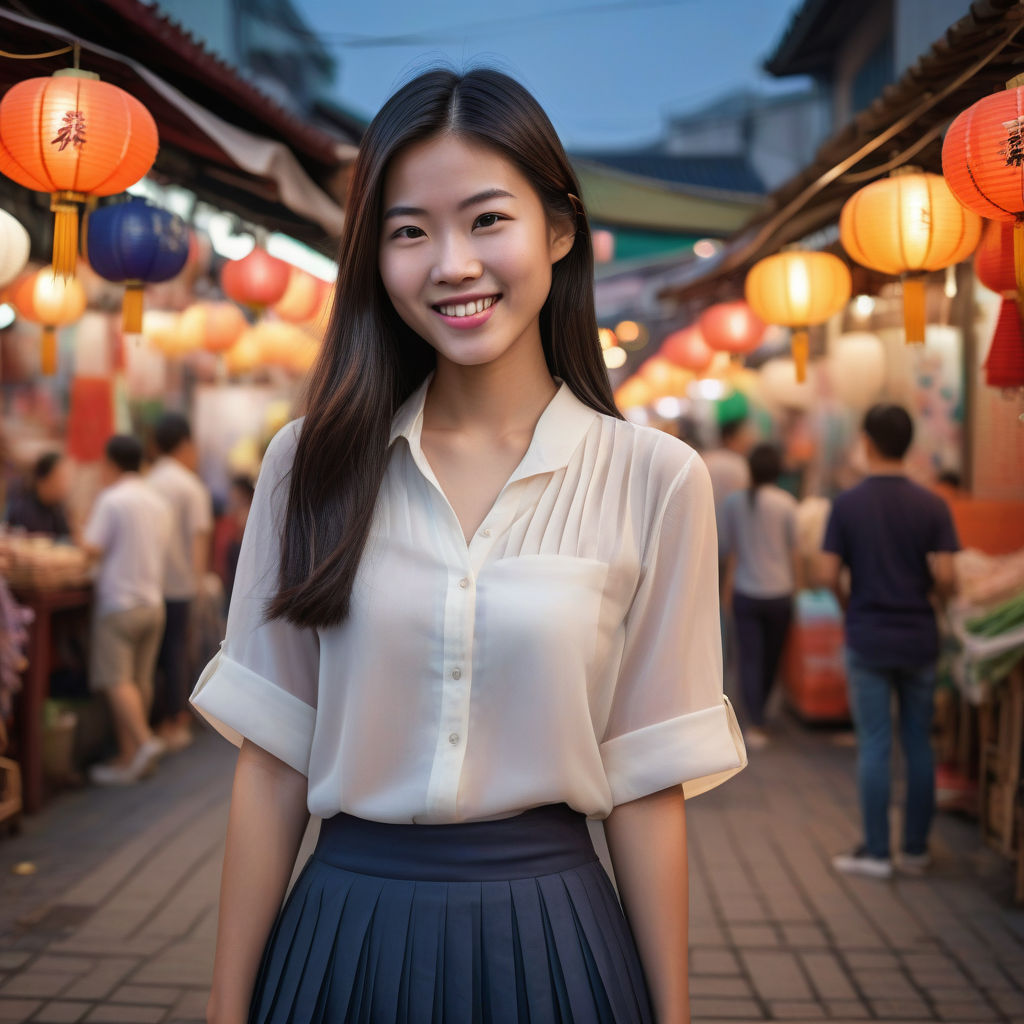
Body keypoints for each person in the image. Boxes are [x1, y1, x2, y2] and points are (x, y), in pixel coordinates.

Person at [190, 67, 746, 1024]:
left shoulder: (656, 480)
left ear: (560, 231)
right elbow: (273, 762)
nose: (451, 263)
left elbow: (650, 789)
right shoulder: (309, 465)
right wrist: (225, 1011)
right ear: (376, 257)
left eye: (488, 219)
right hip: (342, 941)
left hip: (557, 942)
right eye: (409, 231)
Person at [818, 404, 959, 880]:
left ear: (868, 442)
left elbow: (825, 573)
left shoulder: (848, 503)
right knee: (919, 742)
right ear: (908, 443)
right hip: (919, 635)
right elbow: (947, 576)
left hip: (869, 635)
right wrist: (927, 594)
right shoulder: (933, 504)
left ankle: (877, 853)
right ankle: (917, 849)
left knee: (876, 744)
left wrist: (848, 604)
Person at [81, 435, 171, 785]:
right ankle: (129, 758)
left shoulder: (112, 499)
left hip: (118, 602)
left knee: (117, 681)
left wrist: (76, 539)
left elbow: (92, 548)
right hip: (152, 601)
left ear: (111, 462)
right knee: (139, 682)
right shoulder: (156, 500)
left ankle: (144, 743)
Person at [719, 443, 799, 749]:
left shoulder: (733, 503)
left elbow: (729, 551)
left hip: (745, 592)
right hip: (780, 593)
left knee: (749, 658)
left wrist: (726, 591)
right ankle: (760, 713)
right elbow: (795, 554)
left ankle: (755, 721)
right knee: (771, 658)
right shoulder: (787, 503)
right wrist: (800, 592)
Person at [147, 412, 213, 752]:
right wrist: (199, 582)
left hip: (149, 583)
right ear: (185, 444)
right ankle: (176, 721)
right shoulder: (190, 485)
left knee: (156, 656)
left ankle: (159, 723)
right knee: (176, 652)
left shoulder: (148, 481)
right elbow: (199, 537)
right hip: (180, 584)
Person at [703, 417, 751, 553]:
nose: (747, 441)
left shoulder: (704, 459)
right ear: (730, 438)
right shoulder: (740, 465)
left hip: (704, 532)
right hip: (731, 537)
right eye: (743, 436)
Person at [6, 452, 72, 538]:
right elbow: (14, 533)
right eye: (61, 478)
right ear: (44, 479)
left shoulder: (57, 507)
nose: (65, 485)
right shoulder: (22, 503)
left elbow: (65, 537)